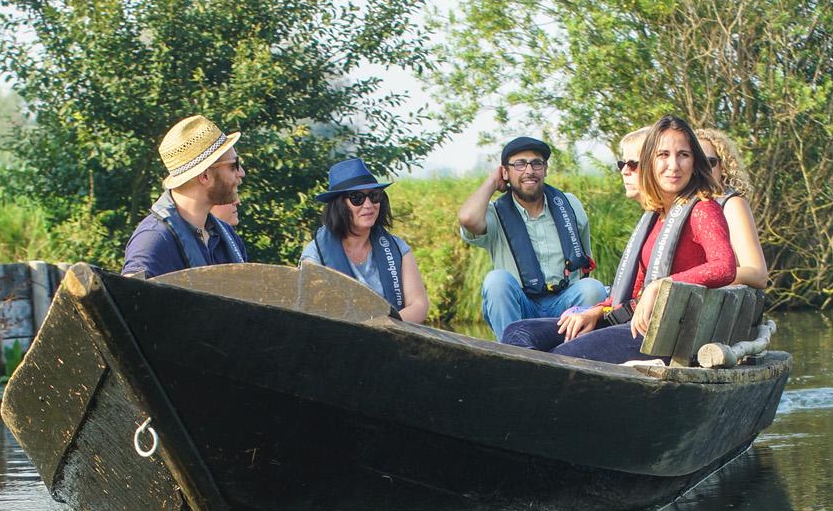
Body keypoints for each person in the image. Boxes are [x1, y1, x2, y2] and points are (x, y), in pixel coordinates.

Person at [501, 116, 737, 363]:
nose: (673, 165)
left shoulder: (702, 208)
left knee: (560, 357)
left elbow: (725, 266)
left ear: (694, 162)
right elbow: (632, 292)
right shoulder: (656, 215)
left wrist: (661, 286)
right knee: (518, 332)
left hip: (664, 332)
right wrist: (596, 313)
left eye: (683, 155)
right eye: (663, 155)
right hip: (633, 321)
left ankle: (533, 390)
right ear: (650, 162)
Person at [456, 136, 607, 339]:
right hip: (522, 305)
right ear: (505, 172)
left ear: (545, 169)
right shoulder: (494, 213)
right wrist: (492, 182)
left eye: (536, 163)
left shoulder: (569, 205)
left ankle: (577, 354)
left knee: (592, 288)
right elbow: (467, 218)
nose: (529, 171)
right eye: (519, 164)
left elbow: (584, 260)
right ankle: (512, 353)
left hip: (565, 303)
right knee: (496, 281)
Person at [300, 158, 430, 323]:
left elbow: (419, 305)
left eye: (374, 196)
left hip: (391, 337)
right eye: (357, 198)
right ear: (339, 205)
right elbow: (309, 311)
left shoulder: (398, 249)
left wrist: (381, 327)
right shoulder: (315, 255)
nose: (369, 205)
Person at [122, 115, 250, 279]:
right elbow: (127, 297)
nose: (241, 173)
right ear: (205, 176)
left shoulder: (227, 236)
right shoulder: (153, 240)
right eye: (234, 165)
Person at [693, 128, 770, 290]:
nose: (701, 170)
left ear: (723, 167)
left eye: (709, 163)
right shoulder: (680, 208)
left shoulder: (732, 205)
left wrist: (692, 278)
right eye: (695, 162)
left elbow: (758, 273)